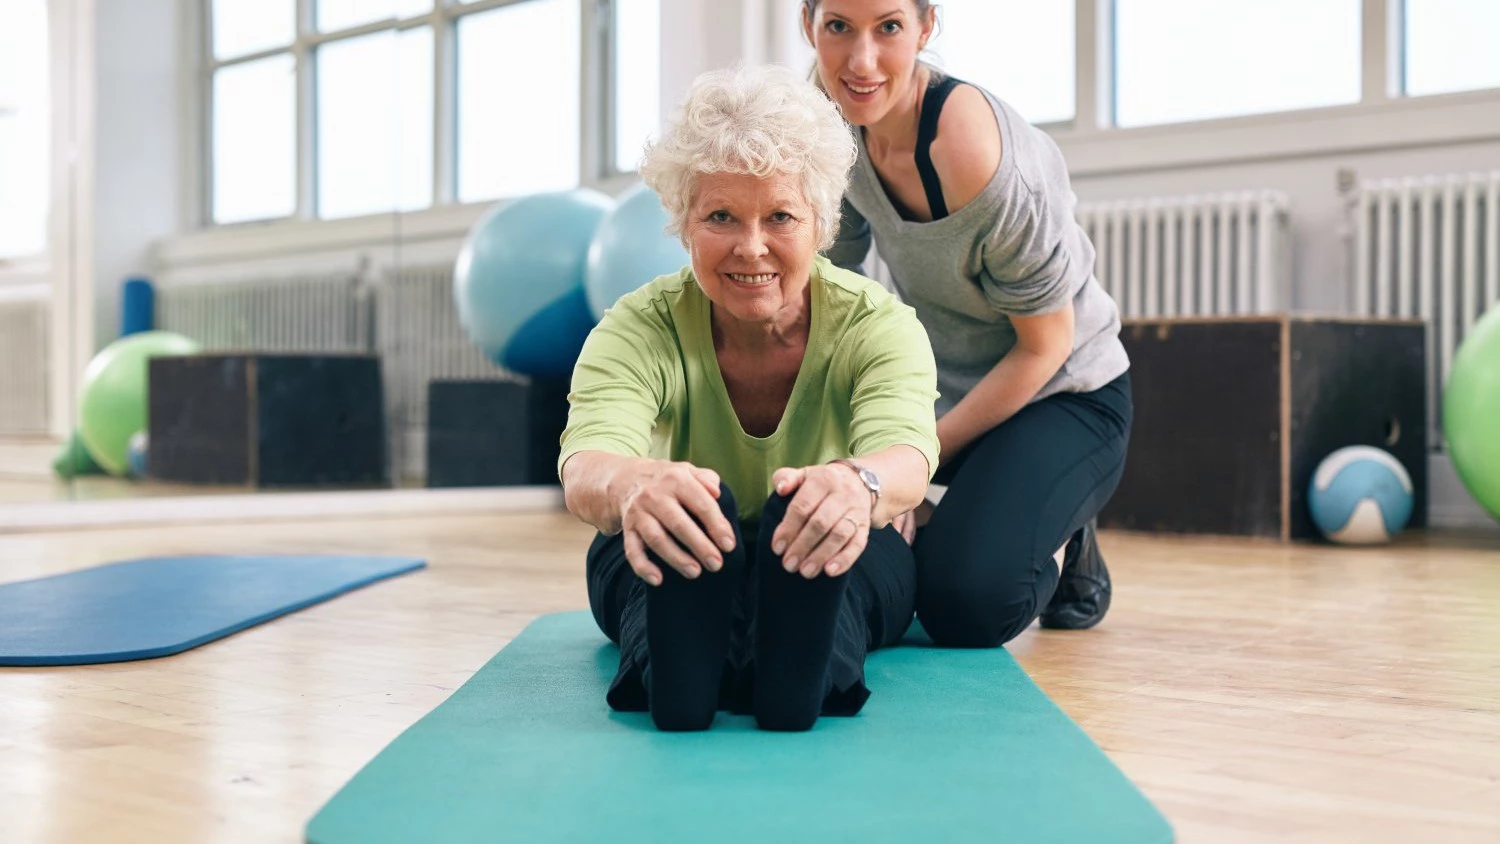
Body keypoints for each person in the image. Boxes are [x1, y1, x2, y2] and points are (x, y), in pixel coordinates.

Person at [559, 64, 940, 732]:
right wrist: (634, 486)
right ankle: (681, 671)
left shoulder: (876, 323)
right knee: (653, 554)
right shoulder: (634, 327)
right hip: (669, 529)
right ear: (683, 224)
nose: (751, 246)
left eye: (780, 216)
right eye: (721, 217)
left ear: (821, 223)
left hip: (834, 527)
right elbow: (585, 464)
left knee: (840, 567)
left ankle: (793, 674)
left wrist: (857, 485)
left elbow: (908, 453)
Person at [803, 0, 1133, 646]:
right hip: (944, 395)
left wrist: (905, 466)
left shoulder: (974, 151)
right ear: (807, 24)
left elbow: (1047, 347)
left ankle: (1065, 532)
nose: (861, 61)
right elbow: (828, 288)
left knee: (964, 603)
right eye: (837, 26)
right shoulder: (826, 116)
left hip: (1064, 395)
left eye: (889, 28)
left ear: (927, 27)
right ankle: (985, 511)